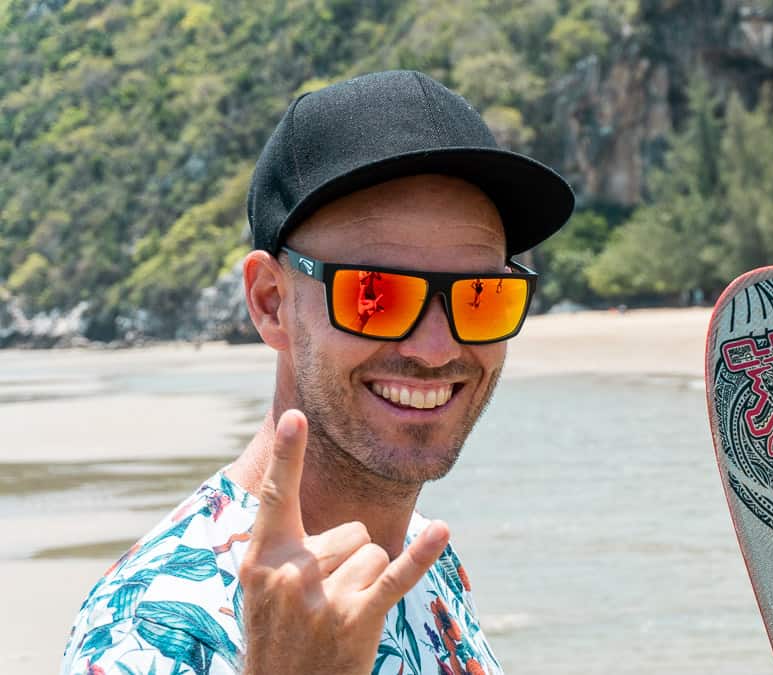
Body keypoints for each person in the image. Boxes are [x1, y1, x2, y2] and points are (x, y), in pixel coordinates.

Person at [60, 70, 575, 674]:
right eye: (373, 294)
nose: (437, 348)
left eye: (480, 296)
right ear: (270, 303)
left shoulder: (420, 552)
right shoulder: (154, 629)